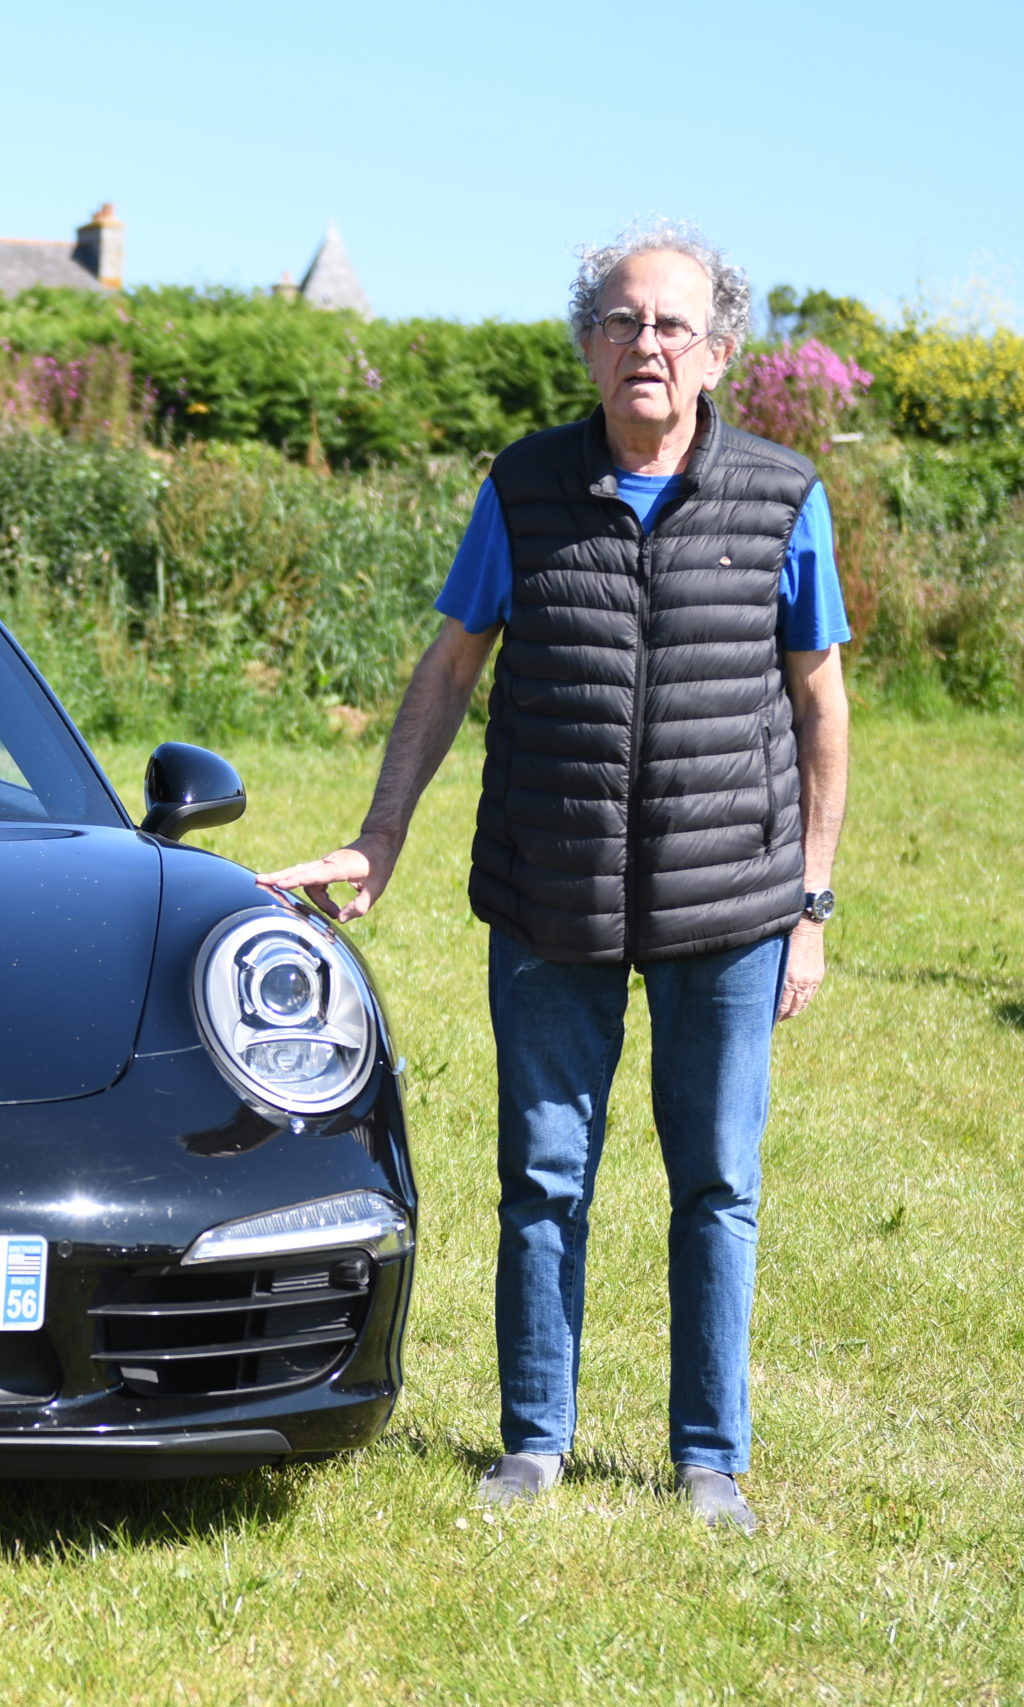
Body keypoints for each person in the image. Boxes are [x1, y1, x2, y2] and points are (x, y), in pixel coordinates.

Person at [259, 221, 851, 1536]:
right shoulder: (525, 488)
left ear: (718, 351)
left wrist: (810, 904)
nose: (649, 344)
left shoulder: (781, 495)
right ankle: (534, 1442)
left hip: (731, 901)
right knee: (541, 1179)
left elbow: (821, 705)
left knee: (718, 1185)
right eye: (624, 320)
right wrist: (380, 835)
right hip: (548, 888)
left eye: (675, 324)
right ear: (589, 345)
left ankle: (710, 1460)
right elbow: (450, 667)